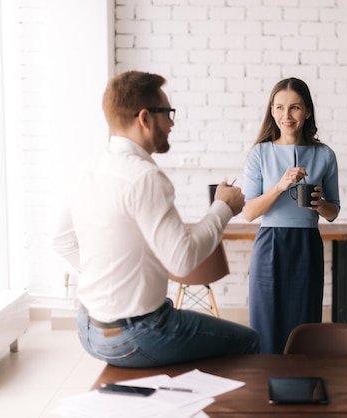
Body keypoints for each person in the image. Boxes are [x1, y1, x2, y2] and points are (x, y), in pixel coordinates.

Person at [52, 70, 260, 368]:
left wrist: (110, 280)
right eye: (168, 113)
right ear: (145, 118)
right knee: (250, 341)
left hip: (88, 327)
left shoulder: (85, 169)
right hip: (136, 334)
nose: (172, 123)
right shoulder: (145, 177)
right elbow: (182, 261)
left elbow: (60, 240)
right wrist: (223, 207)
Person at [242, 78, 341, 354]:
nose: (287, 116)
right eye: (280, 108)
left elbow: (333, 212)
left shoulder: (325, 155)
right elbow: (249, 212)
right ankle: (266, 384)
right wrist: (280, 186)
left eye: (295, 108)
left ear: (307, 111)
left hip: (307, 245)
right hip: (270, 244)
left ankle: (303, 383)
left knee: (305, 324)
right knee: (266, 323)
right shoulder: (259, 153)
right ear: (272, 111)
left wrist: (319, 204)